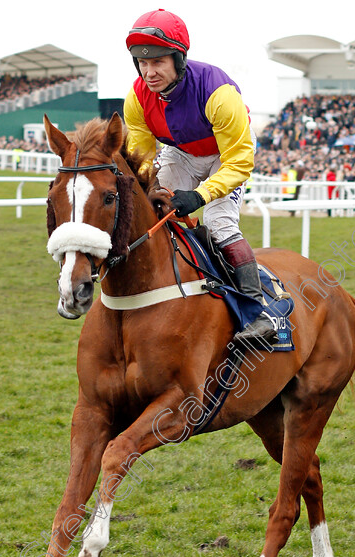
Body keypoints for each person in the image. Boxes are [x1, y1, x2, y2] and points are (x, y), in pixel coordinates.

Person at [123, 8, 276, 343]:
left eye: (158, 62)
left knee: (219, 222)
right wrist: (154, 187)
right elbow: (141, 157)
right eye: (143, 63)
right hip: (179, 152)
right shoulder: (136, 98)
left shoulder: (218, 92)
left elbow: (239, 161)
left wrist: (200, 195)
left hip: (225, 157)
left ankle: (257, 310)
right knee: (154, 210)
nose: (149, 72)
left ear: (179, 59)